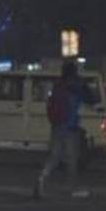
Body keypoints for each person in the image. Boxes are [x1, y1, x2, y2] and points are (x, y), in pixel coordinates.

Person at [34, 59, 91, 201]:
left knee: (54, 156)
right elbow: (89, 98)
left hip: (57, 125)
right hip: (70, 126)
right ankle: (71, 188)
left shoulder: (58, 86)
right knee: (72, 159)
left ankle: (42, 178)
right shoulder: (75, 86)